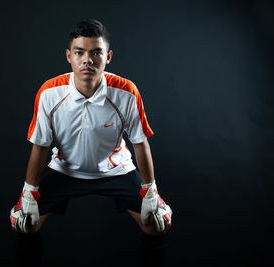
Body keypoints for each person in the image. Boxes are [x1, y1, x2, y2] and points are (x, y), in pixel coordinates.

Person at [10, 19, 172, 267]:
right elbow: (40, 146)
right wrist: (28, 192)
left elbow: (140, 143)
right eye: (80, 52)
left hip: (115, 170)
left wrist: (150, 189)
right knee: (25, 224)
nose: (88, 60)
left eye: (96, 52)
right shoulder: (49, 92)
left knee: (156, 224)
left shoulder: (126, 91)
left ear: (108, 57)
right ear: (69, 56)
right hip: (65, 170)